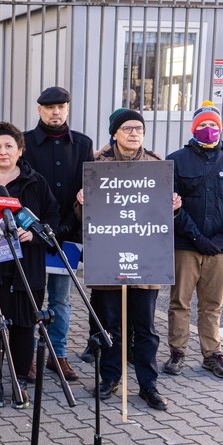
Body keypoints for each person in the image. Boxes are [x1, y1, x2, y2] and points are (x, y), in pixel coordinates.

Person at [75, 108, 180, 410]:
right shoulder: (97, 166)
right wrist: (81, 203)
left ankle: (148, 384)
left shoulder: (156, 166)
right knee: (110, 326)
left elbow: (161, 216)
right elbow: (85, 219)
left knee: (145, 329)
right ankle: (110, 378)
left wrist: (173, 207)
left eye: (139, 129)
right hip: (109, 261)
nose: (134, 133)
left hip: (146, 264)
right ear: (115, 133)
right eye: (127, 128)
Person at [0, 122, 60, 408]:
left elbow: (52, 218)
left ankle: (19, 380)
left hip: (25, 270)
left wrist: (34, 234)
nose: (2, 152)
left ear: (20, 150)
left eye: (8, 146)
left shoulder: (35, 182)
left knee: (23, 328)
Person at [22, 86, 93, 381]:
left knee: (61, 300)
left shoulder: (83, 144)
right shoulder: (25, 142)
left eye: (61, 107)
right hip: (32, 235)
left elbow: (85, 189)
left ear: (67, 109)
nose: (56, 112)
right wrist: (38, 229)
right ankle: (27, 355)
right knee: (30, 297)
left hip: (67, 235)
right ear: (39, 110)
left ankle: (58, 354)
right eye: (50, 107)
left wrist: (65, 227)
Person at [164, 101, 223, 379]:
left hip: (219, 248)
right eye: (203, 125)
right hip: (186, 245)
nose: (208, 129)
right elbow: (172, 204)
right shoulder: (176, 160)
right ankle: (177, 352)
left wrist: (218, 239)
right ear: (194, 129)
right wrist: (197, 237)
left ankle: (212, 354)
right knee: (180, 302)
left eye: (213, 125)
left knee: (212, 304)